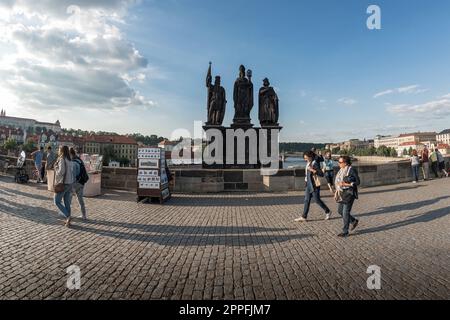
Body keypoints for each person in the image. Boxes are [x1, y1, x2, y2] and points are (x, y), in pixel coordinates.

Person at [295, 151, 332, 222]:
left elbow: (321, 174)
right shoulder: (308, 163)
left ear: (310, 157)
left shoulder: (314, 163)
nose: (305, 159)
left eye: (306, 158)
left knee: (317, 200)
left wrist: (312, 170)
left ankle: (327, 211)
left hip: (314, 185)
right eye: (304, 158)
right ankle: (304, 216)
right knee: (306, 200)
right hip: (308, 184)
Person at [334, 156, 360, 237]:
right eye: (338, 162)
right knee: (340, 211)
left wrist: (346, 184)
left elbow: (358, 182)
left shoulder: (351, 170)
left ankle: (345, 231)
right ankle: (353, 221)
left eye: (340, 162)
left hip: (349, 193)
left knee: (345, 212)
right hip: (342, 192)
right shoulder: (341, 170)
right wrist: (337, 190)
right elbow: (338, 182)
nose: (339, 163)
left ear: (345, 163)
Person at [54, 146, 75, 227]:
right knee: (67, 203)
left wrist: (56, 168)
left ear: (61, 151)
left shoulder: (62, 159)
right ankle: (68, 221)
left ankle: (68, 216)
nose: (58, 150)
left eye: (59, 149)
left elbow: (61, 172)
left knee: (57, 201)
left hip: (63, 183)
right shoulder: (70, 160)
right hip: (70, 183)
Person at [70, 148, 87, 220]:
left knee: (68, 198)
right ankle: (84, 215)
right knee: (80, 200)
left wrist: (72, 186)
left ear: (71, 154)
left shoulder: (73, 162)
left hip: (76, 183)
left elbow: (73, 175)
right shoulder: (79, 160)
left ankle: (67, 214)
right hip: (82, 182)